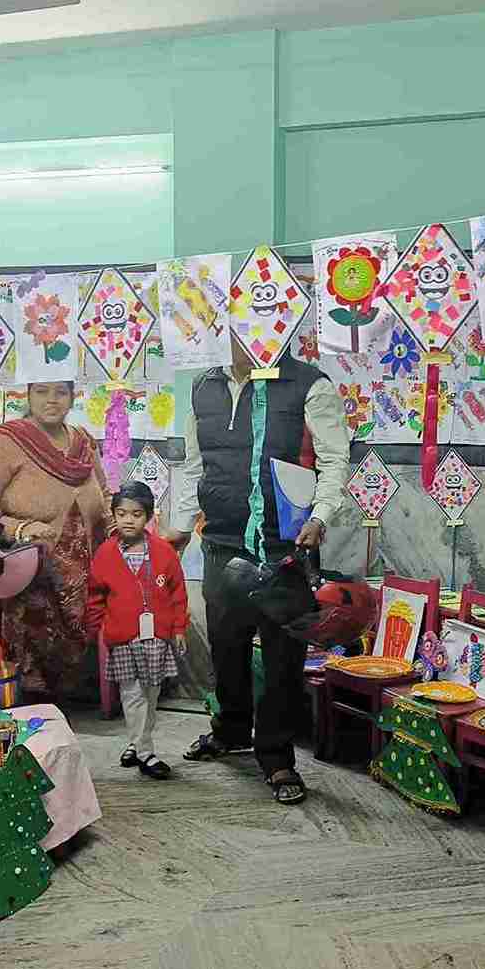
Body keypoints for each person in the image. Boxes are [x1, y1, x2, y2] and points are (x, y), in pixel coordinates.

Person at [166, 340, 350, 804]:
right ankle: (230, 730)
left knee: (282, 658)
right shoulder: (204, 387)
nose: (245, 336)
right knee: (226, 648)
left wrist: (320, 515)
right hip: (221, 543)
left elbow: (333, 459)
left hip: (284, 547)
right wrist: (182, 527)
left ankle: (277, 756)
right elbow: (193, 465)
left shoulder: (309, 384)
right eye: (233, 324)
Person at [0, 381, 109, 702]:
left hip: (80, 583)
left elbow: (105, 497)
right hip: (22, 580)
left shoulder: (83, 444)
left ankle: (70, 697)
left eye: (61, 392)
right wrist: (20, 528)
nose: (51, 400)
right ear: (27, 395)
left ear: (73, 396)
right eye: (41, 391)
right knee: (29, 691)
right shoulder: (5, 442)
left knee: (72, 689)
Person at [87, 481, 188, 780]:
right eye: (121, 514)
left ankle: (135, 742)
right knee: (131, 694)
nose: (128, 520)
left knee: (150, 695)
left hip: (156, 638)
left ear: (148, 517)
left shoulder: (164, 552)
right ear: (114, 516)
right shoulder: (105, 554)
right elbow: (94, 597)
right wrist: (98, 630)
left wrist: (179, 629)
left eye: (136, 514)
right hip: (121, 638)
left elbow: (178, 594)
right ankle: (146, 753)